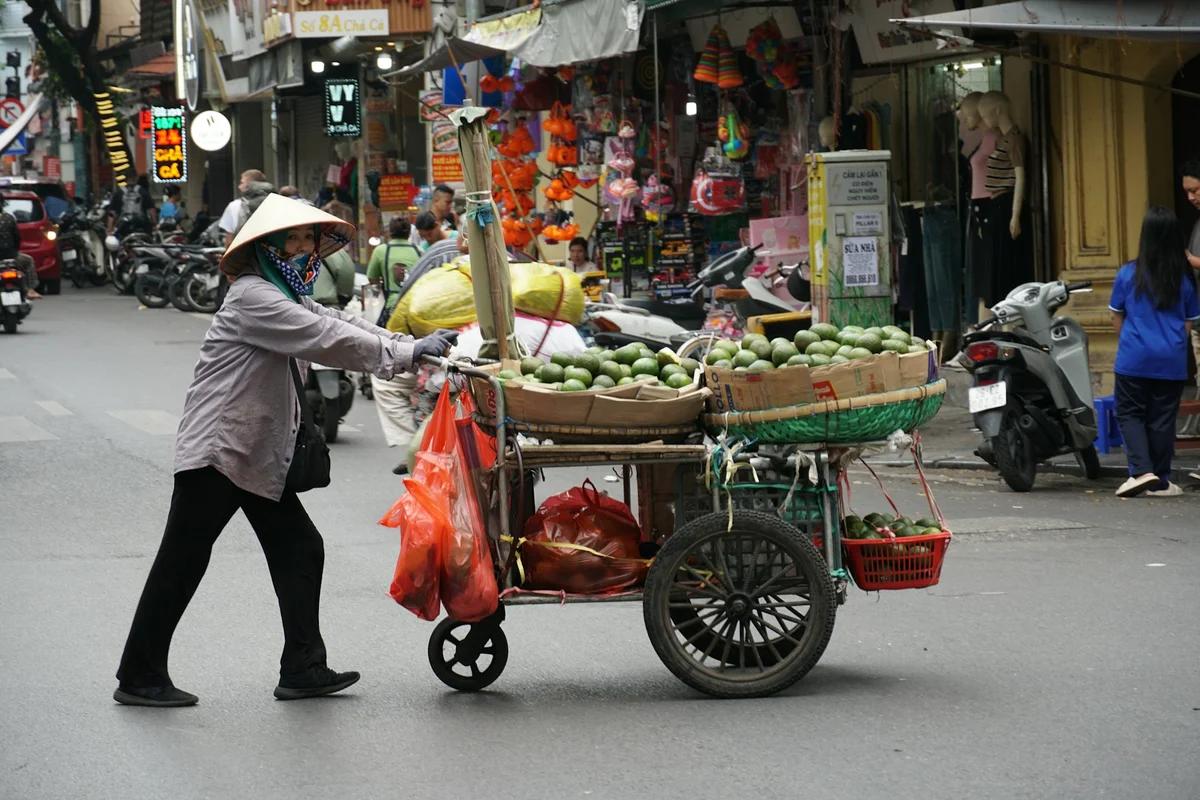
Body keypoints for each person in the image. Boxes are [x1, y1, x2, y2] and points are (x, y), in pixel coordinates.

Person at [112, 194, 458, 707]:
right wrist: (405, 353)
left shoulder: (286, 292)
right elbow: (323, 337)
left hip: (251, 452)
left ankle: (302, 667)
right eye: (289, 239)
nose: (299, 248)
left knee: (300, 549)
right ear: (266, 246)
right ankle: (139, 674)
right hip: (220, 449)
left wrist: (407, 340)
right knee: (182, 561)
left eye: (304, 239)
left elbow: (341, 321)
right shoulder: (255, 296)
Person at [1109, 206, 1200, 498]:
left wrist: (1132, 343)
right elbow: (1189, 323)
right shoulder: (1184, 279)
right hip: (1171, 360)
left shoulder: (1128, 273)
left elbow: (1116, 317)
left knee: (1130, 413)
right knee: (1162, 420)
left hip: (1133, 358)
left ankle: (1140, 471)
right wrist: (1170, 344)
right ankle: (1160, 481)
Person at [366, 217, 423, 458]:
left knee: (382, 348)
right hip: (417, 309)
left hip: (392, 309)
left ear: (389, 232)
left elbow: (372, 279)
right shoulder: (418, 250)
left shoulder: (381, 250)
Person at [0, 199, 40, 298]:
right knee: (29, 261)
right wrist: (14, 252)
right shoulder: (8, 218)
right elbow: (17, 238)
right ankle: (30, 290)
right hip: (11, 256)